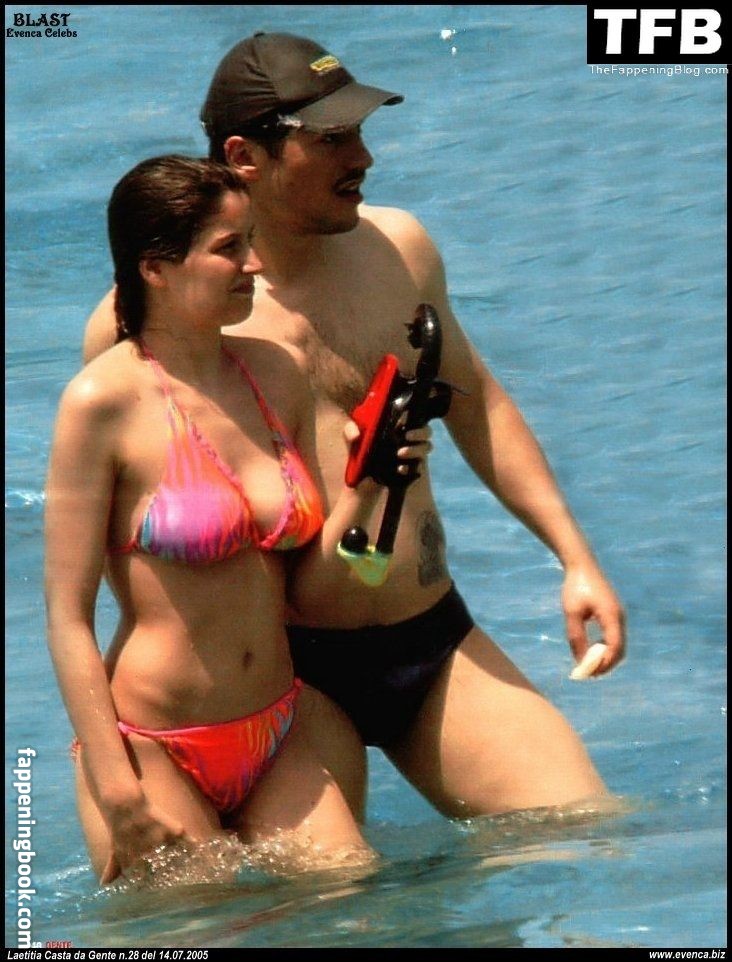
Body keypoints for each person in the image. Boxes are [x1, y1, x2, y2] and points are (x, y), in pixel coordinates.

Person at [83, 33, 627, 820]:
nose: (364, 157)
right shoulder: (151, 322)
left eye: (361, 132)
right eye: (333, 138)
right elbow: (126, 550)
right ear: (244, 157)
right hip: (286, 676)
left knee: (586, 830)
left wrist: (574, 558)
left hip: (428, 638)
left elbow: (477, 403)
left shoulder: (398, 250)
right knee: (341, 890)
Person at [45, 154, 430, 883]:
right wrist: (115, 783)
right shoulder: (101, 403)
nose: (254, 263)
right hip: (154, 743)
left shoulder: (276, 373)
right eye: (229, 248)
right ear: (156, 268)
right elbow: (67, 616)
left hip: (278, 730)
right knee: (200, 925)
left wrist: (370, 485)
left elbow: (306, 588)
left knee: (354, 908)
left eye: (250, 240)